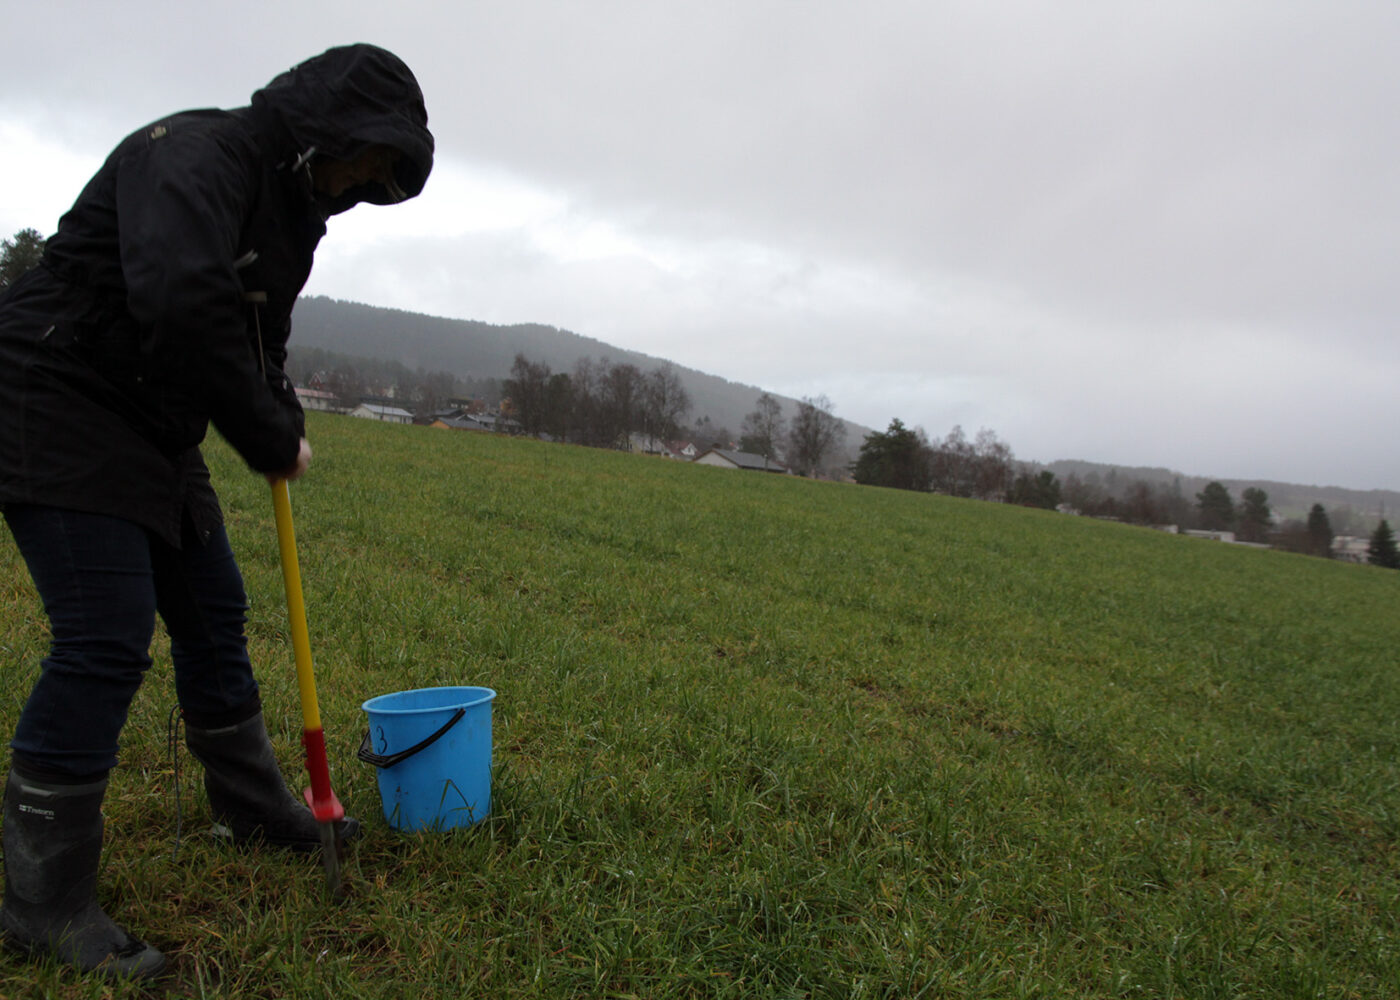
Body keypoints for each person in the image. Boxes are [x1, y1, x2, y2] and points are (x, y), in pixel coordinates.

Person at [0, 44, 434, 979]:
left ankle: (251, 804)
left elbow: (255, 333)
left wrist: (280, 412)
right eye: (366, 159)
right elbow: (181, 299)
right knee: (105, 637)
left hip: (156, 417)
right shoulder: (191, 155)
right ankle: (44, 900)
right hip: (56, 389)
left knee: (213, 607)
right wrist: (265, 437)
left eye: (383, 176)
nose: (365, 182)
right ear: (325, 124)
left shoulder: (294, 212)